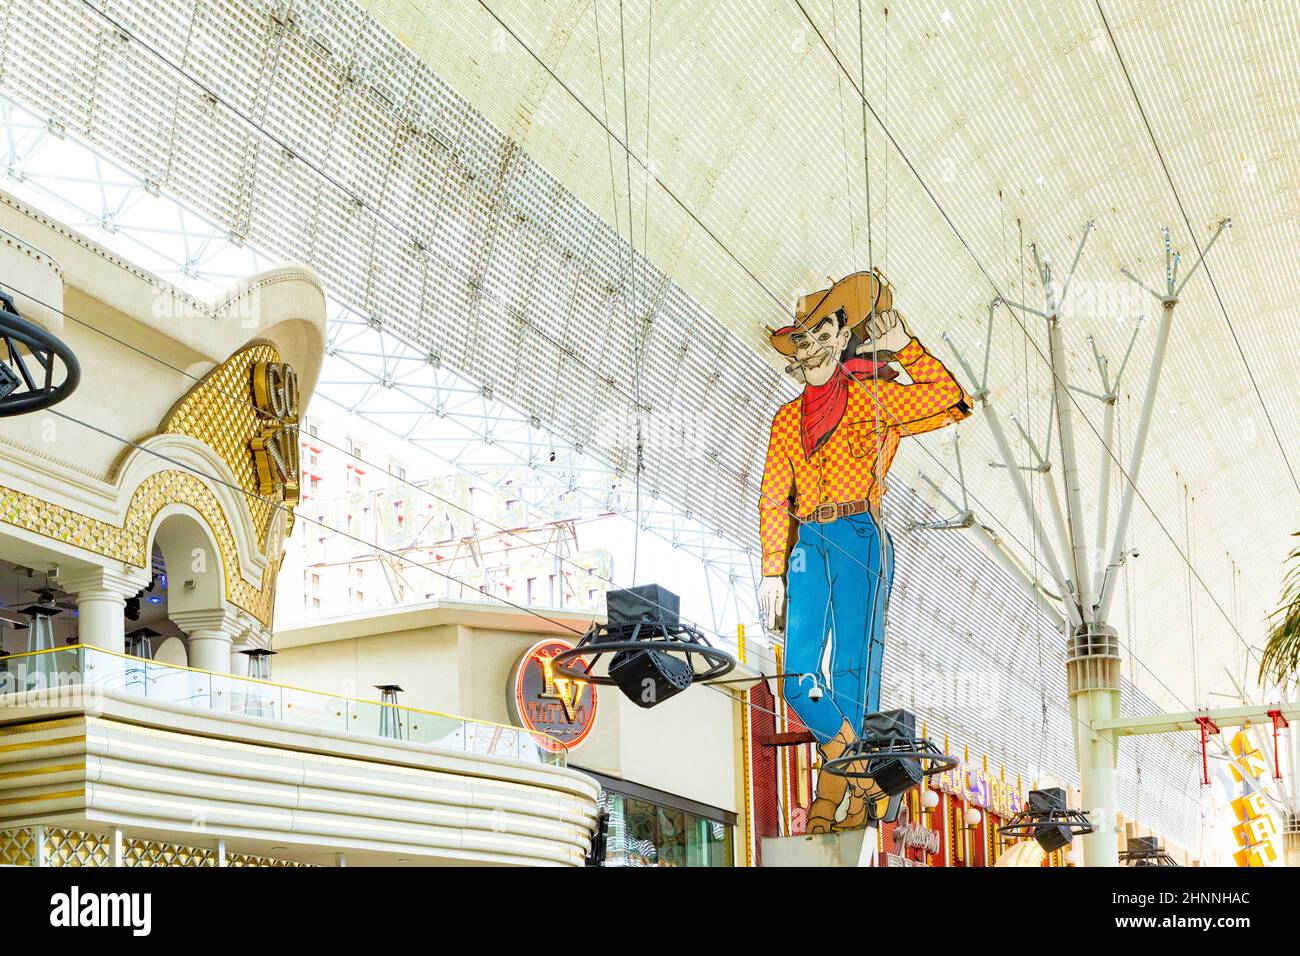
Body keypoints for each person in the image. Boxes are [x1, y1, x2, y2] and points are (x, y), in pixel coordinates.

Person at [758, 269, 970, 831]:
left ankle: (836, 803)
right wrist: (771, 572)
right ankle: (858, 776)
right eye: (799, 339)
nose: (808, 347)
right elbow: (775, 498)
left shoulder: (874, 399)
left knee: (854, 673)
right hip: (806, 544)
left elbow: (951, 401)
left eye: (817, 332)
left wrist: (906, 347)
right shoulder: (785, 421)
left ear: (841, 334)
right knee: (798, 680)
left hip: (858, 535)